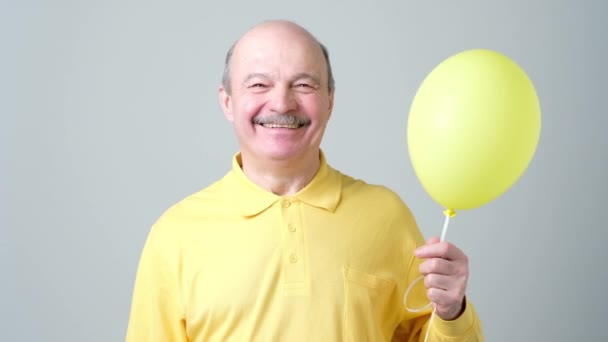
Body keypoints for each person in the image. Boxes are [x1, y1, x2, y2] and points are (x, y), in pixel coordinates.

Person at [126, 20, 484, 341]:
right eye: (259, 84)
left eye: (303, 84)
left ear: (330, 100)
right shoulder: (174, 235)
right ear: (227, 102)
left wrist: (452, 313)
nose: (282, 102)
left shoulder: (386, 216)